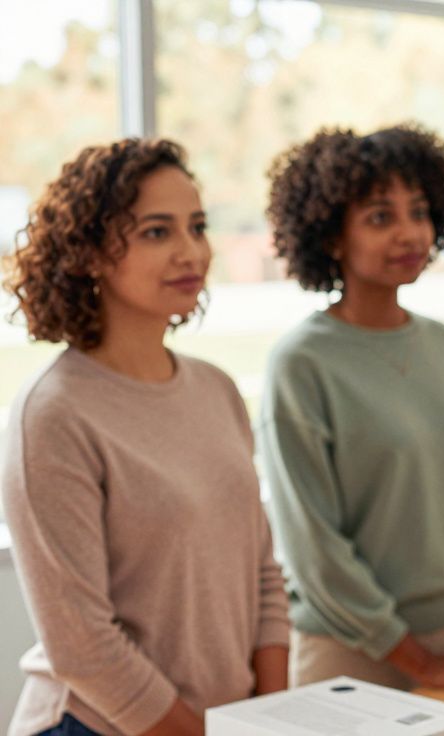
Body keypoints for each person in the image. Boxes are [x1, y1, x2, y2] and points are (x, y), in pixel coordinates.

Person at [0, 139, 289, 736]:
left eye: (197, 226)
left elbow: (262, 571)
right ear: (88, 253)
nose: (191, 251)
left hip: (225, 723)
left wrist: (268, 719)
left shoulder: (216, 389)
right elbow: (83, 645)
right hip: (92, 726)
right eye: (157, 232)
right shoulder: (53, 415)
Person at [260, 124, 444, 692]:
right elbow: (314, 549)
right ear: (332, 237)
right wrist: (422, 664)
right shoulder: (301, 363)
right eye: (380, 217)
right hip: (348, 650)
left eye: (419, 212)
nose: (409, 233)